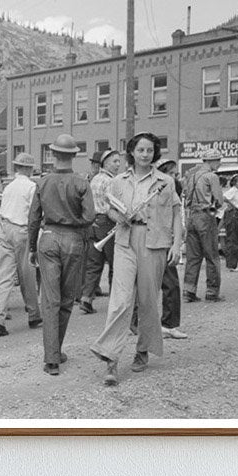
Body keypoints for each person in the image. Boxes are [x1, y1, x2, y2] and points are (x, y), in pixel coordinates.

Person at [90, 132, 183, 386]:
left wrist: (176, 244)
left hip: (154, 243)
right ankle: (111, 358)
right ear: (132, 152)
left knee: (147, 301)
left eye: (149, 151)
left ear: (154, 153)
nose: (145, 154)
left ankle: (142, 350)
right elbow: (109, 208)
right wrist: (117, 216)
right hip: (124, 241)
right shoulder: (118, 181)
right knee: (120, 300)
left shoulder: (166, 181)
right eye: (140, 150)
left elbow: (176, 213)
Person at [28, 134, 96, 375]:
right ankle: (56, 350)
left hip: (47, 238)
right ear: (74, 155)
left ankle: (51, 358)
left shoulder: (42, 182)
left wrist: (31, 248)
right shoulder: (81, 183)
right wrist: (75, 222)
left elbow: (33, 218)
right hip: (73, 240)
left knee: (50, 299)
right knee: (67, 300)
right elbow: (89, 217)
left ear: (54, 155)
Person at [0, 152, 41, 337]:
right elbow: (34, 214)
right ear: (28, 168)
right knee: (27, 274)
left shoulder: (9, 186)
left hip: (5, 229)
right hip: (22, 229)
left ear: (16, 167)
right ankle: (34, 315)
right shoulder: (31, 186)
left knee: (4, 276)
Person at [80, 148, 122, 314]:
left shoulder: (95, 178)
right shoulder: (112, 181)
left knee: (94, 264)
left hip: (93, 223)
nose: (118, 165)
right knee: (115, 263)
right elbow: (114, 205)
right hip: (108, 223)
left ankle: (86, 298)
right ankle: (115, 301)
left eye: (119, 161)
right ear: (105, 163)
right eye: (115, 161)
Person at [182, 147, 224, 302]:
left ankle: (188, 291)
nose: (219, 163)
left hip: (191, 217)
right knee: (212, 255)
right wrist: (215, 207)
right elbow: (219, 200)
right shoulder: (211, 176)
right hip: (205, 216)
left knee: (193, 257)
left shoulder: (191, 176)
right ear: (211, 161)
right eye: (218, 160)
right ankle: (212, 292)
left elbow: (185, 197)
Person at [154, 158, 188, 341]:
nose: (176, 177)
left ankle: (168, 323)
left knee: (170, 284)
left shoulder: (173, 190)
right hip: (157, 241)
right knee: (167, 284)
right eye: (172, 174)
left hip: (167, 240)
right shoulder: (156, 190)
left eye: (176, 174)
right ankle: (164, 325)